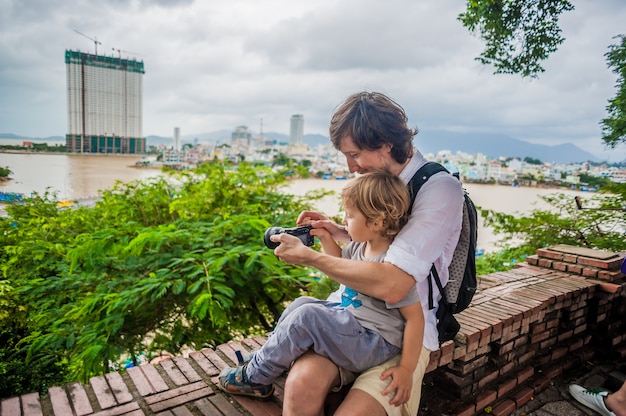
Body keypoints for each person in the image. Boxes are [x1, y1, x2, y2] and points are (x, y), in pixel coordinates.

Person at [271, 91, 464, 416]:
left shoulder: (438, 188)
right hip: (350, 315)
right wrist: (341, 232)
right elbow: (377, 249)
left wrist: (311, 258)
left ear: (386, 144)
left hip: (403, 331)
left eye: (355, 154)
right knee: (300, 384)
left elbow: (394, 284)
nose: (350, 166)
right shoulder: (380, 185)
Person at [218, 170, 423, 407]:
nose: (343, 221)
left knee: (308, 317)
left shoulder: (393, 266)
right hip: (352, 325)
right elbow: (340, 266)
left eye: (350, 216)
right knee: (302, 304)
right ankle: (271, 356)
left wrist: (407, 369)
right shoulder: (361, 246)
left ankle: (256, 377)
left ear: (376, 221)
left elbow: (415, 319)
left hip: (373, 342)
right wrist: (326, 237)